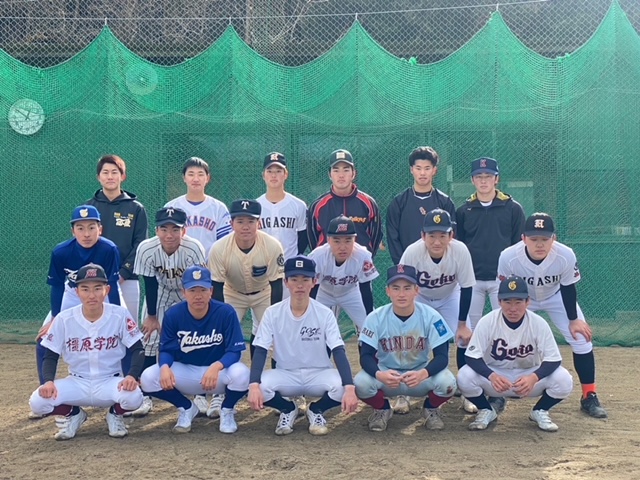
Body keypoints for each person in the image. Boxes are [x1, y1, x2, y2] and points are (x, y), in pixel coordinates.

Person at [497, 213, 607, 419]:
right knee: (503, 338)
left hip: (556, 297)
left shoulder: (565, 255)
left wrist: (574, 320)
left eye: (545, 239)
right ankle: (497, 394)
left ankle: (589, 395)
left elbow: (568, 288)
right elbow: (503, 292)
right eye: (534, 239)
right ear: (523, 238)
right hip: (522, 300)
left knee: (581, 339)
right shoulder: (508, 257)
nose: (539, 244)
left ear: (553, 238)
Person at [29, 264, 145, 440]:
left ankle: (115, 414)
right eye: (85, 289)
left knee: (134, 397)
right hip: (77, 382)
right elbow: (50, 355)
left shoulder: (120, 314)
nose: (92, 295)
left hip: (110, 381)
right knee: (38, 402)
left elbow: (137, 349)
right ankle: (73, 414)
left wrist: (131, 375)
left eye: (97, 288)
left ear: (107, 290)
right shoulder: (64, 318)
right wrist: (48, 382)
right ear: (77, 292)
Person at [248, 255, 359, 435]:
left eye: (305, 279)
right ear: (285, 282)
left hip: (319, 373)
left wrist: (350, 387)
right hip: (286, 374)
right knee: (257, 386)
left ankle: (316, 410)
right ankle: (287, 409)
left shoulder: (324, 313)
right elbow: (261, 350)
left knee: (346, 386)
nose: (300, 285)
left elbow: (338, 350)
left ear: (314, 282)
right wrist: (253, 385)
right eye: (294, 279)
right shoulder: (272, 313)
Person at [139, 266, 249, 434]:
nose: (198, 295)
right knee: (148, 377)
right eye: (192, 290)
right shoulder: (173, 314)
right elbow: (166, 349)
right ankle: (186, 407)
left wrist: (216, 366)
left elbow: (235, 351)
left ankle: (227, 409)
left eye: (203, 290)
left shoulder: (225, 312)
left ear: (211, 291)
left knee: (242, 374)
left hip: (217, 374)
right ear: (183, 292)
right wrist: (164, 367)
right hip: (186, 372)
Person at [457, 275, 573, 431]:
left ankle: (540, 410)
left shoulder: (538, 323)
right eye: (507, 302)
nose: (513, 308)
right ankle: (486, 409)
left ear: (528, 302)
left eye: (518, 302)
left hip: (528, 375)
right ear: (499, 301)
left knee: (563, 379)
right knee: (464, 376)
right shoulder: (487, 321)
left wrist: (534, 377)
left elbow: (554, 359)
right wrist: (492, 376)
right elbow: (472, 356)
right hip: (496, 376)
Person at [455, 157, 525, 413]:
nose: (483, 181)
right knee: (467, 334)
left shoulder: (512, 208)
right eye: (478, 176)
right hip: (471, 280)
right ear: (472, 180)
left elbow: (519, 246)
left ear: (496, 179)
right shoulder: (464, 210)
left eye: (488, 176)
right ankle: (468, 388)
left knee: (502, 332)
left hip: (502, 281)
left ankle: (503, 385)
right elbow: (459, 246)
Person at [355, 264, 457, 432]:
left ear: (416, 290)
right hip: (387, 374)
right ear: (388, 291)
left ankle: (430, 409)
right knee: (361, 384)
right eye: (396, 288)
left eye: (407, 288)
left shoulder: (431, 316)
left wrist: (423, 373)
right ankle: (382, 409)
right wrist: (380, 374)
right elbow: (365, 356)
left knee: (448, 383)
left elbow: (442, 357)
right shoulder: (375, 318)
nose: (401, 294)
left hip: (419, 375)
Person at [207, 199, 284, 418]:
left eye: (251, 221)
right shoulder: (219, 248)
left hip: (264, 292)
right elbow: (217, 288)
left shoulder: (272, 245)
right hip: (232, 292)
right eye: (240, 221)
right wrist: (223, 319)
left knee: (276, 338)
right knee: (222, 337)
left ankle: (281, 389)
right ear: (231, 223)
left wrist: (273, 318)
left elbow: (276, 284)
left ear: (259, 223)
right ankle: (220, 392)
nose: (246, 226)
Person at [399, 209, 475, 414]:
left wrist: (462, 325)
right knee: (408, 339)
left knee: (465, 340)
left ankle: (468, 392)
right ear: (423, 235)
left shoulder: (460, 251)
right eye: (432, 235)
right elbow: (403, 286)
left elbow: (467, 287)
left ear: (451, 235)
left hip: (450, 296)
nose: (437, 241)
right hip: (420, 297)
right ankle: (403, 393)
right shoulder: (412, 252)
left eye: (443, 235)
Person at [132, 207, 207, 416]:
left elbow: (197, 284)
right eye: (164, 229)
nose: (169, 235)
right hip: (161, 291)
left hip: (189, 292)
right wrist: (152, 317)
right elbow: (150, 283)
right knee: (149, 337)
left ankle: (200, 394)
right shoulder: (146, 248)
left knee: (196, 338)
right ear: (156, 230)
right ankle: (145, 396)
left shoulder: (194, 248)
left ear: (184, 231)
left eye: (175, 229)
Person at [36, 205, 122, 385]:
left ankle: (125, 382)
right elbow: (57, 286)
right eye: (80, 228)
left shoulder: (109, 249)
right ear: (73, 231)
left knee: (124, 335)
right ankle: (45, 387)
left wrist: (117, 316)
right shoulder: (61, 251)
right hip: (72, 293)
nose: (86, 234)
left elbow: (112, 285)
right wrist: (55, 318)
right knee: (45, 339)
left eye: (91, 227)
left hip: (103, 293)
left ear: (100, 229)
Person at [86, 154, 148, 325]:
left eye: (114, 172)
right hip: (94, 280)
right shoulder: (88, 208)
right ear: (98, 177)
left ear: (123, 176)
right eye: (105, 172)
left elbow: (140, 245)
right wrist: (95, 275)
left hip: (127, 279)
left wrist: (123, 274)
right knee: (96, 326)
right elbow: (83, 243)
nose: (110, 177)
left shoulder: (136, 208)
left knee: (128, 327)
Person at [307, 215, 379, 335]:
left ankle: (365, 347)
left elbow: (366, 289)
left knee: (371, 329)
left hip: (351, 293)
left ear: (354, 240)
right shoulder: (318, 256)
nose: (342, 247)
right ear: (328, 240)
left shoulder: (363, 255)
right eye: (337, 241)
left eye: (348, 240)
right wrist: (310, 315)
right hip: (323, 293)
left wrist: (368, 317)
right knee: (314, 327)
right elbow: (312, 289)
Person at [386, 146, 456, 265]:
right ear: (411, 170)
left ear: (434, 170)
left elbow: (452, 237)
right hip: (408, 267)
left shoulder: (445, 202)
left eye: (427, 168)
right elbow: (393, 238)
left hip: (439, 268)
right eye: (418, 168)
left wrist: (441, 263)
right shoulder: (398, 202)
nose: (422, 173)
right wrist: (402, 266)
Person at [307, 149, 383, 257]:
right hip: (326, 266)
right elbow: (312, 239)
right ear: (329, 174)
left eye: (346, 170)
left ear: (353, 173)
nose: (341, 175)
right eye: (336, 170)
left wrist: (365, 258)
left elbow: (375, 237)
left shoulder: (368, 203)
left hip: (359, 265)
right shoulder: (317, 206)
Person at [164, 156, 231, 256]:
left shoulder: (219, 208)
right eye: (191, 174)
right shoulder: (171, 207)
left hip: (210, 263)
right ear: (184, 178)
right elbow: (164, 240)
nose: (196, 179)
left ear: (207, 178)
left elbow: (225, 242)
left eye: (200, 174)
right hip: (179, 264)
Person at [257, 152, 308, 272]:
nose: (274, 175)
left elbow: (303, 237)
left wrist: (293, 259)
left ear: (286, 174)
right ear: (263, 175)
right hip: (262, 266)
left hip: (289, 268)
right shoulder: (256, 206)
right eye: (269, 171)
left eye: (278, 171)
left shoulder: (298, 205)